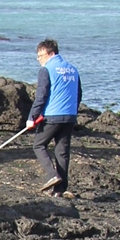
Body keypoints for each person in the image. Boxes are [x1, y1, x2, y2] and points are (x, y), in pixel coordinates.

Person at [28, 38, 81, 199]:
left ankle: (52, 175)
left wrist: (32, 117)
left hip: (52, 115)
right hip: (70, 116)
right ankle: (60, 189)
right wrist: (73, 110)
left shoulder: (47, 70)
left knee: (38, 145)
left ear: (51, 53)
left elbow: (41, 95)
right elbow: (79, 94)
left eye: (41, 55)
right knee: (62, 152)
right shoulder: (73, 69)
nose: (39, 59)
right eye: (38, 56)